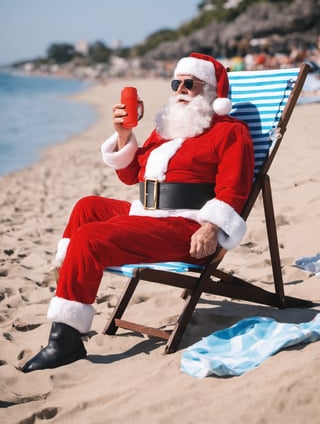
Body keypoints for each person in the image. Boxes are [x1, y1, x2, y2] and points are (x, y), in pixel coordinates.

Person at [21, 52, 255, 373]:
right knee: (88, 207)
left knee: (90, 237)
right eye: (177, 83)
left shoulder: (231, 132)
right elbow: (132, 175)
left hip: (189, 228)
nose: (182, 90)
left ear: (211, 91)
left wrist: (212, 227)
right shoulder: (167, 130)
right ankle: (67, 278)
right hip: (150, 215)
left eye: (191, 84)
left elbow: (235, 189)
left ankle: (66, 341)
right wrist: (122, 134)